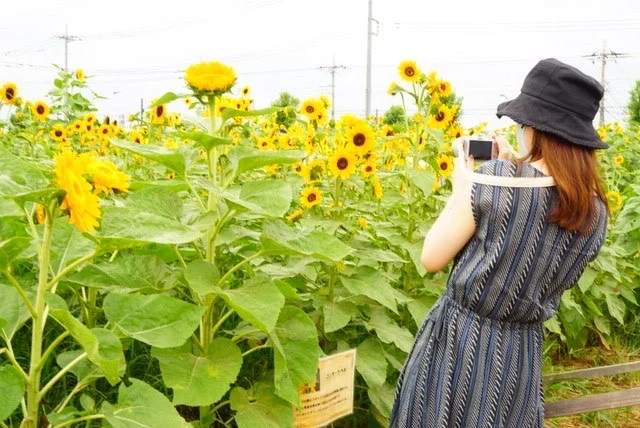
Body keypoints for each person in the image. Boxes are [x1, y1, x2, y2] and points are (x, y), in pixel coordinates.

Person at [389, 58, 610, 427]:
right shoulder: (595, 212)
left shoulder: (492, 182)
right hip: (519, 359)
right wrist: (509, 170)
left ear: (536, 128)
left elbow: (431, 257)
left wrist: (465, 186)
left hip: (457, 349)